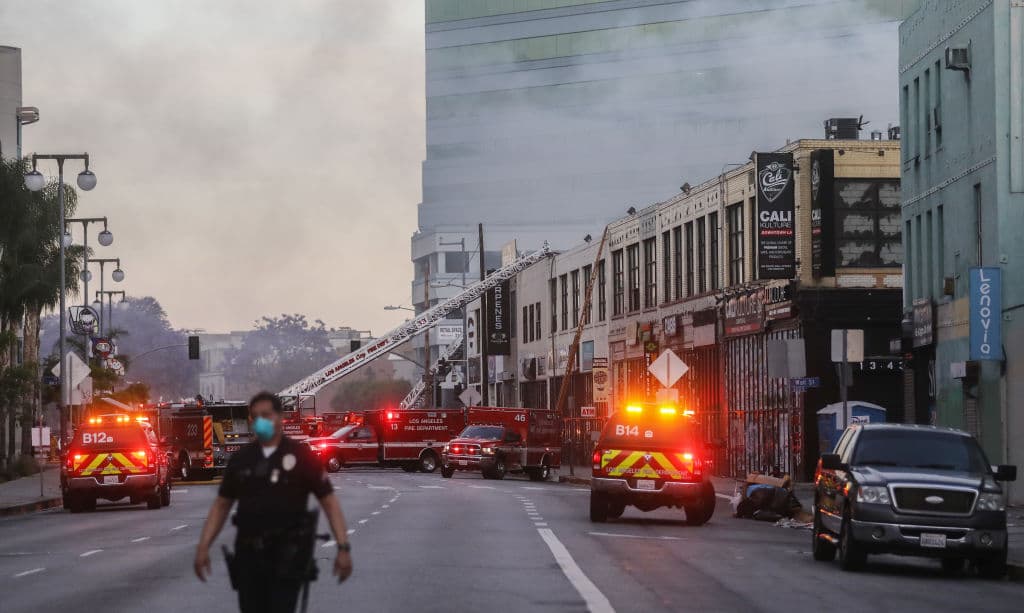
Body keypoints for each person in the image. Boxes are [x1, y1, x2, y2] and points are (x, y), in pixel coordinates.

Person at [194, 391, 353, 612]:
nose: (261, 421)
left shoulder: (301, 456)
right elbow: (222, 505)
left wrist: (343, 547)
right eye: (255, 416)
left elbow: (329, 502)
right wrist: (203, 547)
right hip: (249, 558)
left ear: (280, 418)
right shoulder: (241, 460)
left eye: (266, 415)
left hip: (287, 557)